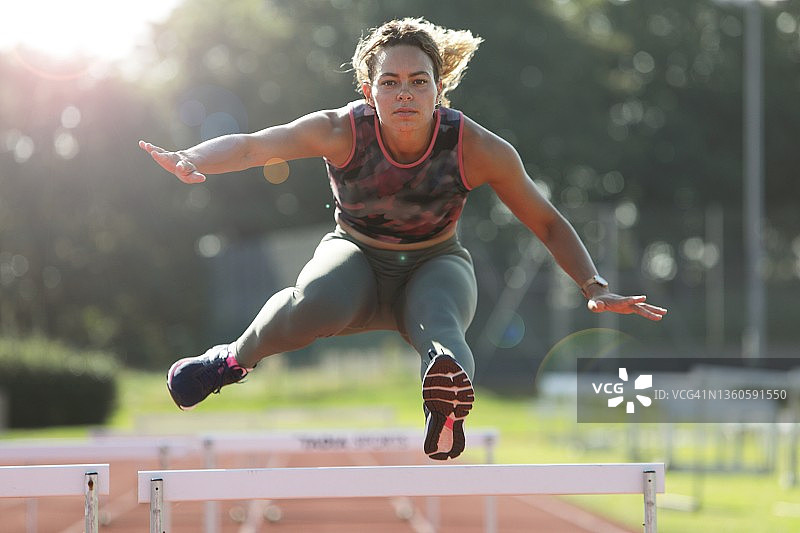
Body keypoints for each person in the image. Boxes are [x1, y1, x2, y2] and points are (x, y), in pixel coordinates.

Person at [139, 17, 667, 461]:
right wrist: (193, 158)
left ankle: (446, 407)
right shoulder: (340, 130)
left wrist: (592, 283)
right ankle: (230, 360)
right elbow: (256, 146)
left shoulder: (476, 146)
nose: (405, 94)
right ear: (368, 90)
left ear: (440, 88)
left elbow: (546, 221)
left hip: (435, 262)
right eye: (390, 82)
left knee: (442, 324)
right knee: (315, 303)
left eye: (418, 81)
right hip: (355, 257)